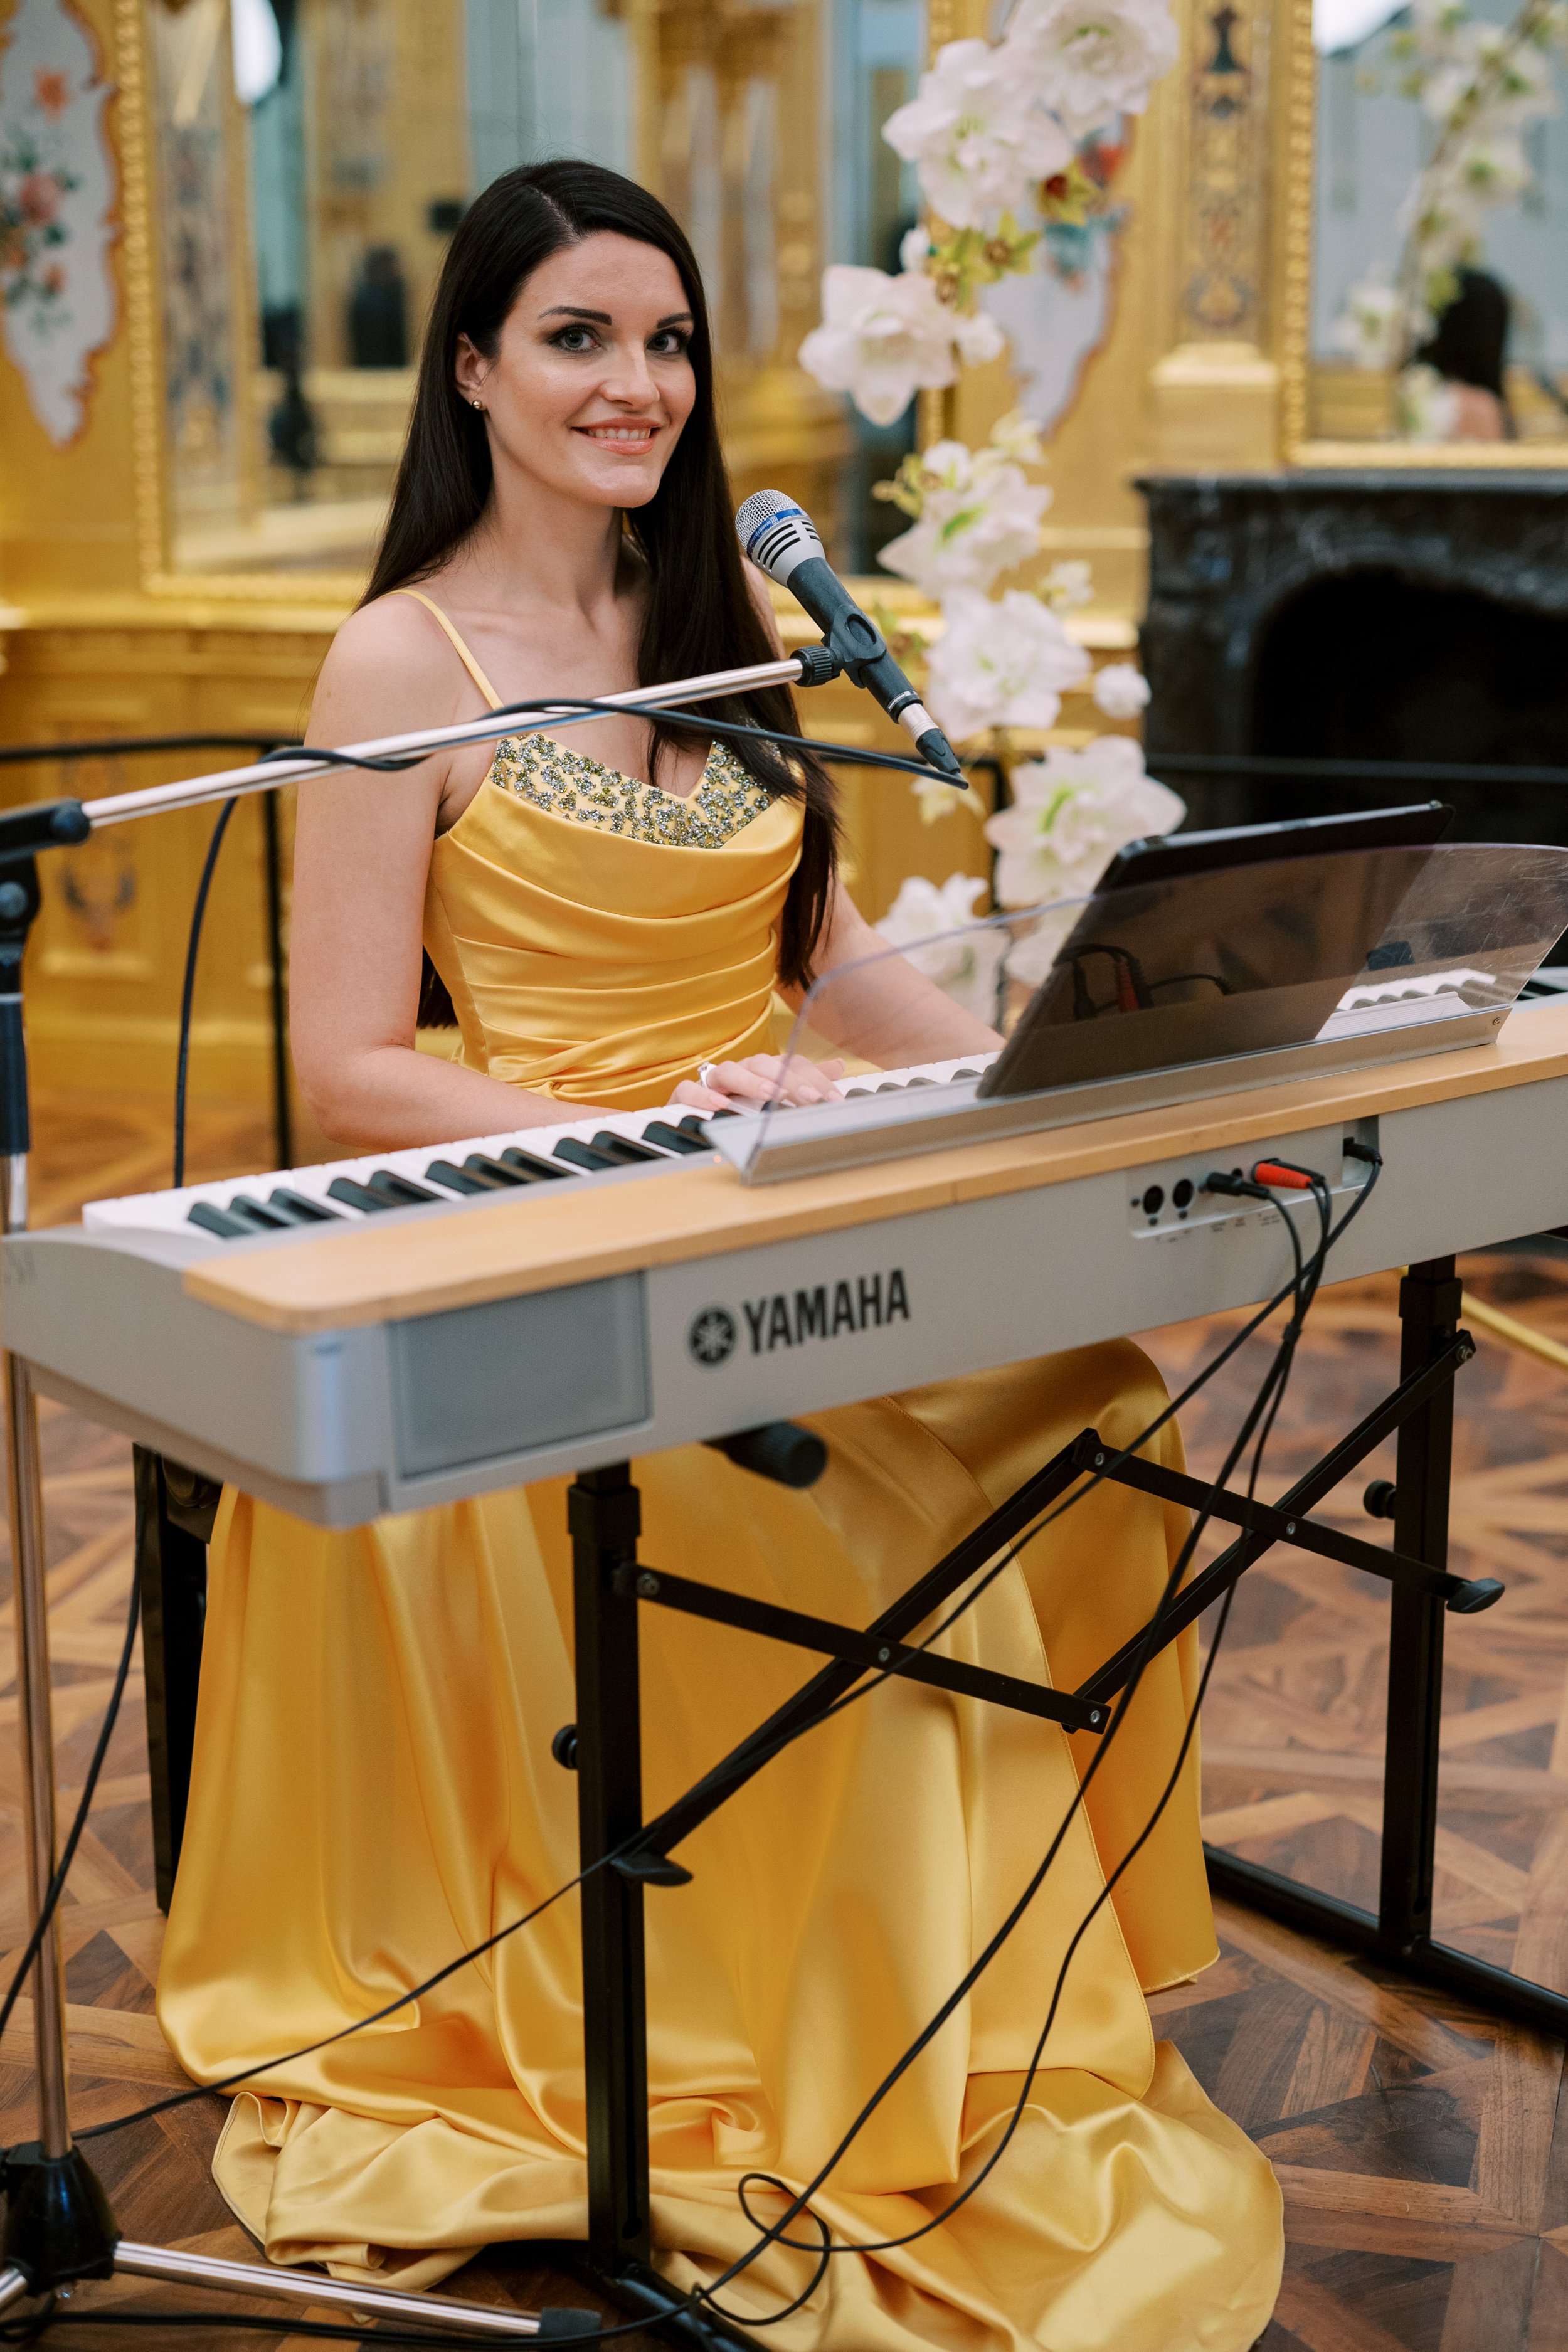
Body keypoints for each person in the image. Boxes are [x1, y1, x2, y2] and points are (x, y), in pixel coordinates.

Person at [157, 161, 1283, 2351]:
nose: (636, 383)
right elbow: (350, 1070)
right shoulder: (400, 657)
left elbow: (823, 957)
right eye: (577, 337)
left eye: (664, 340)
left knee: (1091, 1415)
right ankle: (838, 2038)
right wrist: (648, 1124)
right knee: (872, 1526)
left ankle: (997, 1988)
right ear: (471, 369)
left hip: (767, 1201)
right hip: (538, 1237)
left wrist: (1042, 1076)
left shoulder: (725, 626)